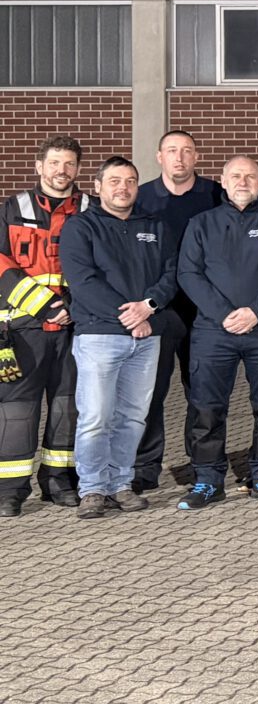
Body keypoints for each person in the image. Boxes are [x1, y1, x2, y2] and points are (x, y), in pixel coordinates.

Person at [61, 157, 181, 518]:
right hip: (99, 336)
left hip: (146, 337)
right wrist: (131, 318)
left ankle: (121, 483)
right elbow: (83, 281)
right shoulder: (80, 227)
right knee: (96, 416)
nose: (123, 188)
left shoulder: (155, 226)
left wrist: (149, 306)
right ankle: (92, 489)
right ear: (98, 187)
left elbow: (171, 273)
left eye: (130, 181)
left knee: (132, 417)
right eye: (114, 181)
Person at [175, 155, 258, 509]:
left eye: (250, 176)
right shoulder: (201, 223)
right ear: (223, 182)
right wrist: (225, 314)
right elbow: (188, 274)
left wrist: (256, 312)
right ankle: (208, 479)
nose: (243, 182)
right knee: (206, 408)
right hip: (213, 331)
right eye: (236, 176)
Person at [132, 129, 227, 493]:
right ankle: (145, 468)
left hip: (204, 310)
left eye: (187, 150)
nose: (180, 157)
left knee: (201, 392)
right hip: (158, 310)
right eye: (172, 150)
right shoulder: (141, 198)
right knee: (150, 392)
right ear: (159, 157)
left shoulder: (215, 195)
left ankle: (199, 466)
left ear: (196, 156)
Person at [0, 136, 83, 512]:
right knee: (17, 410)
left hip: (74, 327)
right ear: (39, 166)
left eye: (69, 164)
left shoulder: (90, 209)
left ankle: (58, 481)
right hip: (22, 329)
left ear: (77, 169)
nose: (61, 170)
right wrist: (45, 306)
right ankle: (10, 490)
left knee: (68, 407)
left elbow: (101, 265)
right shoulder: (11, 208)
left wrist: (72, 307)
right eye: (54, 163)